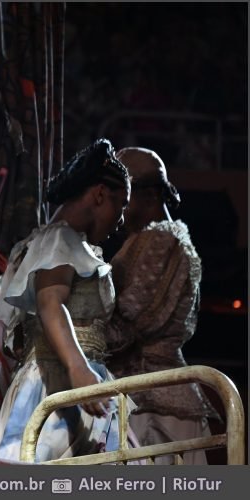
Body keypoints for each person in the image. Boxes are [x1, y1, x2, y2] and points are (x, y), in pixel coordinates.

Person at [0, 138, 132, 461]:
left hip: (56, 379)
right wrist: (78, 367)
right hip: (59, 383)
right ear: (98, 195)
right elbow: (50, 304)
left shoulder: (39, 244)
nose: (121, 220)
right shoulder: (60, 238)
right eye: (120, 206)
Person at [105, 147, 219, 464]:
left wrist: (72, 338)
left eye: (122, 195)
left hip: (151, 401)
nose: (116, 205)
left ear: (150, 195)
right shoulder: (161, 239)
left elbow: (132, 322)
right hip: (150, 393)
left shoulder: (158, 241)